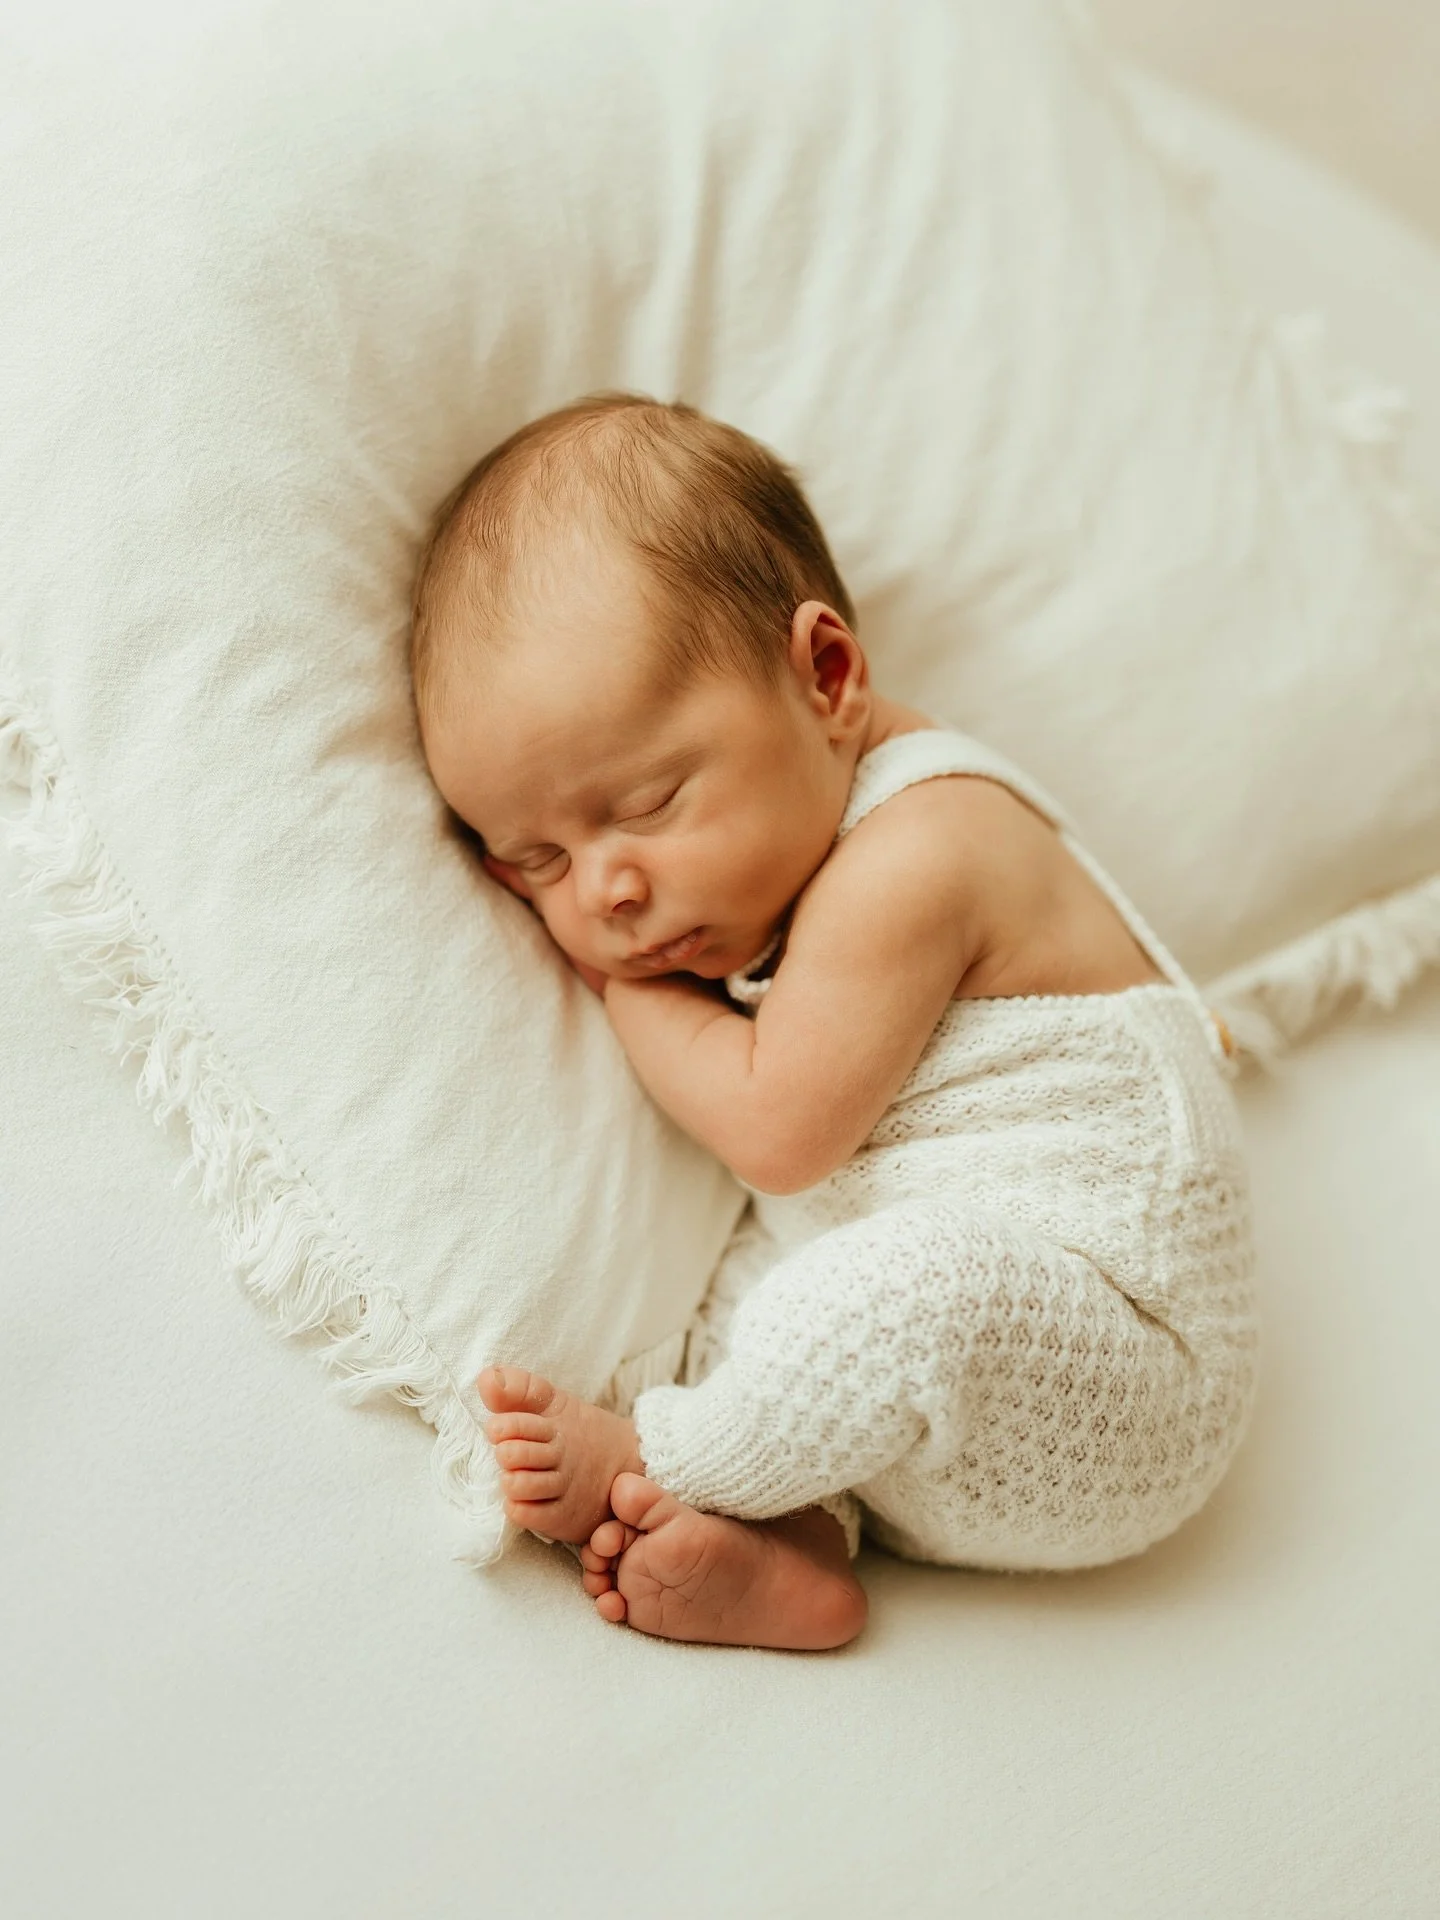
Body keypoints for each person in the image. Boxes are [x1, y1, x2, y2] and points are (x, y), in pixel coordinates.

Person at [409, 393, 1258, 1651]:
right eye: (533, 861)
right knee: (759, 1289)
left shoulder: (921, 853)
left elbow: (777, 1128)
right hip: (943, 1410)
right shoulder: (782, 848)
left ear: (827, 678)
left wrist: (626, 988)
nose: (605, 891)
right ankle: (800, 1539)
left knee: (886, 1283)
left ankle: (668, 1454)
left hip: (1119, 1367)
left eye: (644, 802)